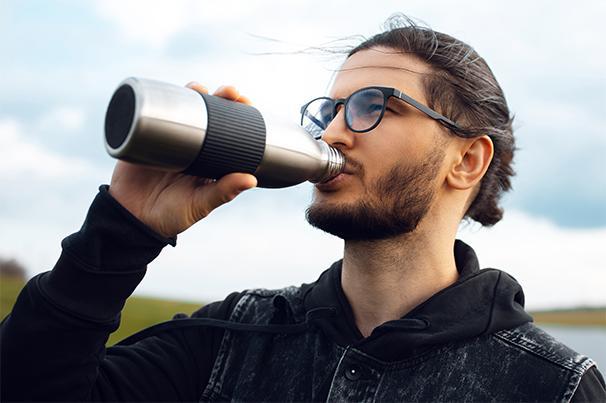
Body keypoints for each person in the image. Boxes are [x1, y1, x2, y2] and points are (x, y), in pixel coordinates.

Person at [1, 16, 604, 402]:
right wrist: (125, 226)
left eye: (374, 106)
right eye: (330, 110)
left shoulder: (553, 387)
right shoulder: (231, 338)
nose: (334, 133)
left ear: (467, 160)